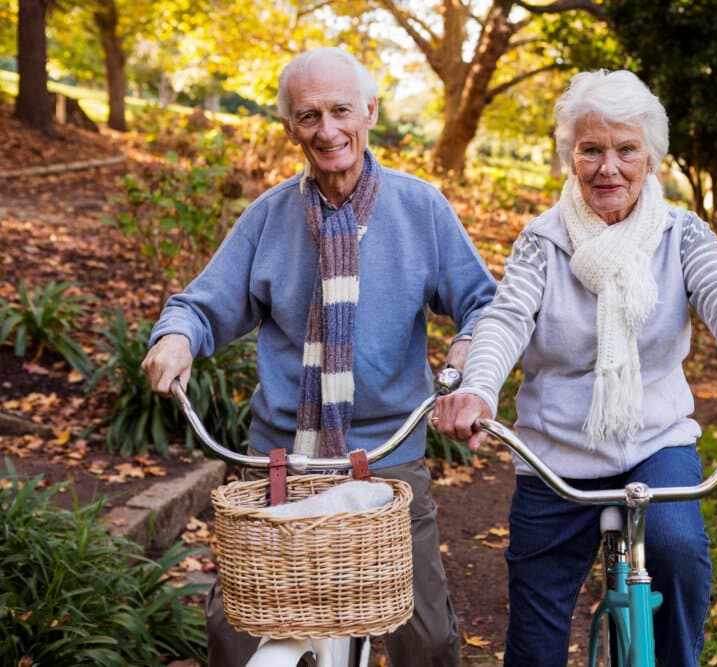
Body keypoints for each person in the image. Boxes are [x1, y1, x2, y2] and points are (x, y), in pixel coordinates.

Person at [431, 69, 717, 667]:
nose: (608, 167)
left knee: (677, 549)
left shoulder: (680, 235)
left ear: (650, 159)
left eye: (625, 149)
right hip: (555, 451)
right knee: (535, 638)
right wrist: (480, 391)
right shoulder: (542, 242)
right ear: (571, 157)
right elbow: (506, 318)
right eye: (591, 149)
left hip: (654, 441)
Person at [142, 46, 496, 667]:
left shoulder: (421, 209)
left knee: (428, 641)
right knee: (232, 635)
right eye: (308, 116)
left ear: (370, 112)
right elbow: (197, 307)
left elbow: (483, 304)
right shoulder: (268, 217)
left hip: (388, 461)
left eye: (340, 111)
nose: (327, 130)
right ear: (290, 128)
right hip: (281, 461)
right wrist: (175, 338)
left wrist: (469, 348)